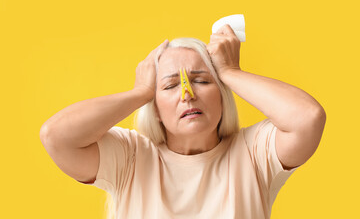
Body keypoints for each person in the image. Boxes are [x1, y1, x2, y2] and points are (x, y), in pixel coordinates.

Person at [40, 24, 326, 219]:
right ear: (154, 107)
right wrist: (139, 91)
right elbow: (56, 136)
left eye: (201, 80)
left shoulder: (253, 152)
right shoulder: (130, 156)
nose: (187, 96)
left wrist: (230, 71)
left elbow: (308, 118)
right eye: (169, 86)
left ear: (222, 94)